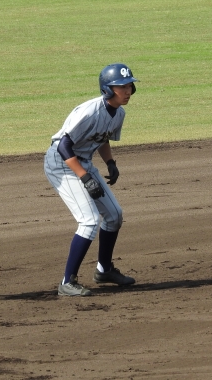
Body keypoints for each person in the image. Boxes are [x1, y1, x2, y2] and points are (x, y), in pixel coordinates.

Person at [44, 63, 139, 296]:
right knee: (88, 220)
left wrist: (110, 162)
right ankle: (67, 282)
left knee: (114, 215)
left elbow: (102, 138)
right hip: (61, 163)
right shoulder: (89, 111)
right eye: (121, 87)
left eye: (129, 86)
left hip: (83, 161)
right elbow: (64, 146)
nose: (127, 91)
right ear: (108, 89)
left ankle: (104, 270)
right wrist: (85, 177)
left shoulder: (119, 113)